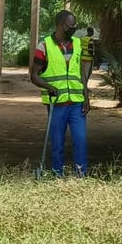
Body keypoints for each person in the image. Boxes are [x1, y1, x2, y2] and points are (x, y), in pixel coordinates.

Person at [29, 10, 90, 177]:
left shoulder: (77, 44)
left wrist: (87, 97)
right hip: (56, 104)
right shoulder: (44, 46)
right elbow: (34, 76)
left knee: (81, 140)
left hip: (76, 103)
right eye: (71, 25)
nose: (74, 29)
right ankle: (57, 174)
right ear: (61, 25)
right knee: (57, 143)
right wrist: (48, 87)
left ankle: (81, 174)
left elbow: (81, 73)